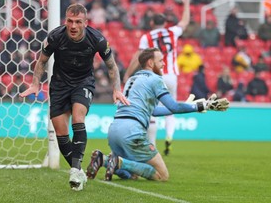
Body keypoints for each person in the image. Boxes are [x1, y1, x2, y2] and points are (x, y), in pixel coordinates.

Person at [19, 3, 129, 191]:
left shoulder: (97, 39)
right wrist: (36, 83)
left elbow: (111, 66)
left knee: (78, 117)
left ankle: (75, 172)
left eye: (78, 22)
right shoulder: (55, 36)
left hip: (83, 82)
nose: (73, 26)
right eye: (70, 21)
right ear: (65, 20)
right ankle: (78, 170)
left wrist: (117, 89)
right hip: (59, 85)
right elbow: (42, 61)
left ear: (85, 23)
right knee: (61, 133)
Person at [86, 48, 229, 181]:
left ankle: (103, 159)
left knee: (132, 175)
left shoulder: (132, 79)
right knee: (162, 175)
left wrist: (184, 106)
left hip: (114, 130)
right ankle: (116, 161)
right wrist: (202, 105)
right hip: (132, 131)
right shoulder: (155, 79)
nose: (163, 64)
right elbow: (173, 106)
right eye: (160, 60)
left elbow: (153, 111)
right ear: (150, 62)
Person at [123, 0, 191, 155]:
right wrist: (187, 4)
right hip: (172, 77)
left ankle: (152, 144)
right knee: (171, 108)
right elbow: (185, 22)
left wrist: (127, 74)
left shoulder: (147, 37)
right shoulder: (173, 31)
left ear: (152, 22)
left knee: (151, 108)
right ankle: (169, 136)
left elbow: (138, 56)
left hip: (155, 76)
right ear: (165, 23)